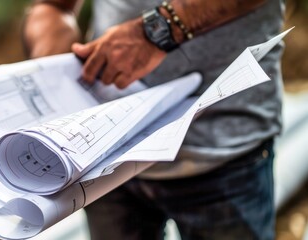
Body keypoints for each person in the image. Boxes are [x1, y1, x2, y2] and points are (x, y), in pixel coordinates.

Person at [22, 0, 285, 239]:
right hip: (106, 160)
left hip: (226, 149)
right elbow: (54, 7)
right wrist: (49, 65)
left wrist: (158, 29)